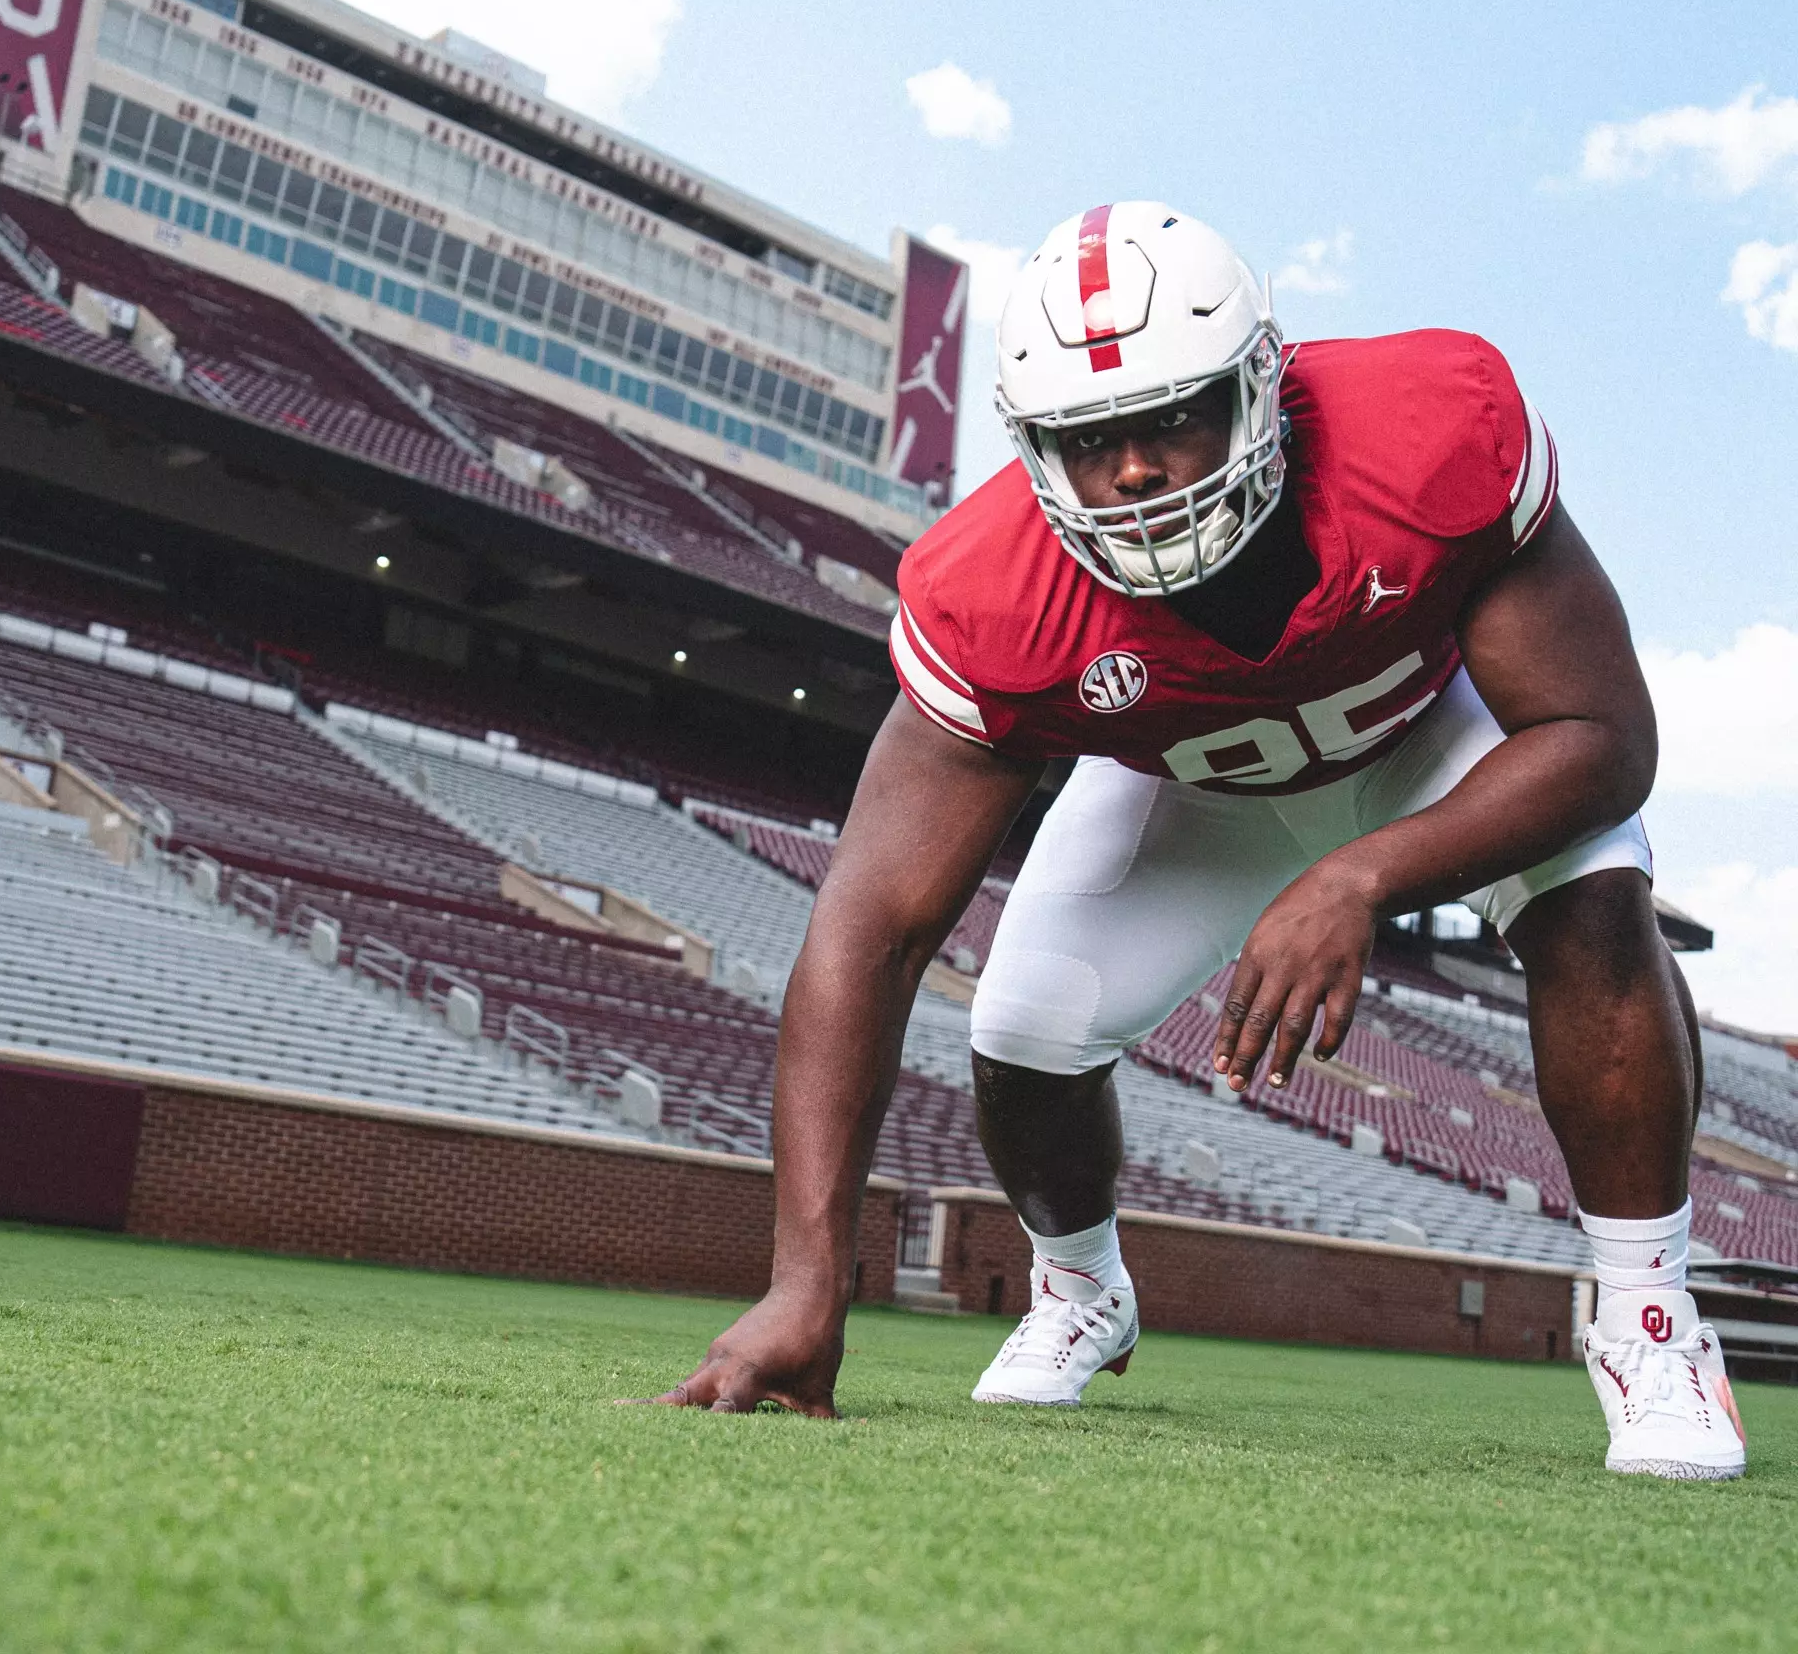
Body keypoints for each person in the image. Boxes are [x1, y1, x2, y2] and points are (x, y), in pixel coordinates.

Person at [657, 200, 1746, 1481]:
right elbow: (867, 925)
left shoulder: (1424, 432)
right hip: (1196, 788)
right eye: (1088, 438)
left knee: (1594, 888)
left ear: (1261, 386)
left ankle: (1650, 1318)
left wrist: (1363, 871)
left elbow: (1598, 735)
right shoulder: (993, 587)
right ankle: (1080, 1286)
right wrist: (800, 1279)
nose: (1131, 470)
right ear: (1033, 447)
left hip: (1426, 738)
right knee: (1022, 1035)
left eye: (1171, 417)